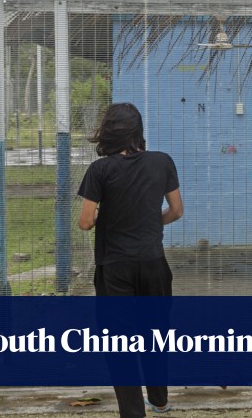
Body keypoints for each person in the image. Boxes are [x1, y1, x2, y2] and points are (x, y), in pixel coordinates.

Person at [78, 102, 183, 417]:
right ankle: (160, 400)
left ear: (108, 132)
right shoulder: (162, 162)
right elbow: (176, 211)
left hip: (115, 268)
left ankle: (133, 412)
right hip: (153, 264)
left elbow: (85, 222)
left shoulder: (101, 170)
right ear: (138, 132)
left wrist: (107, 218)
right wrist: (149, 222)